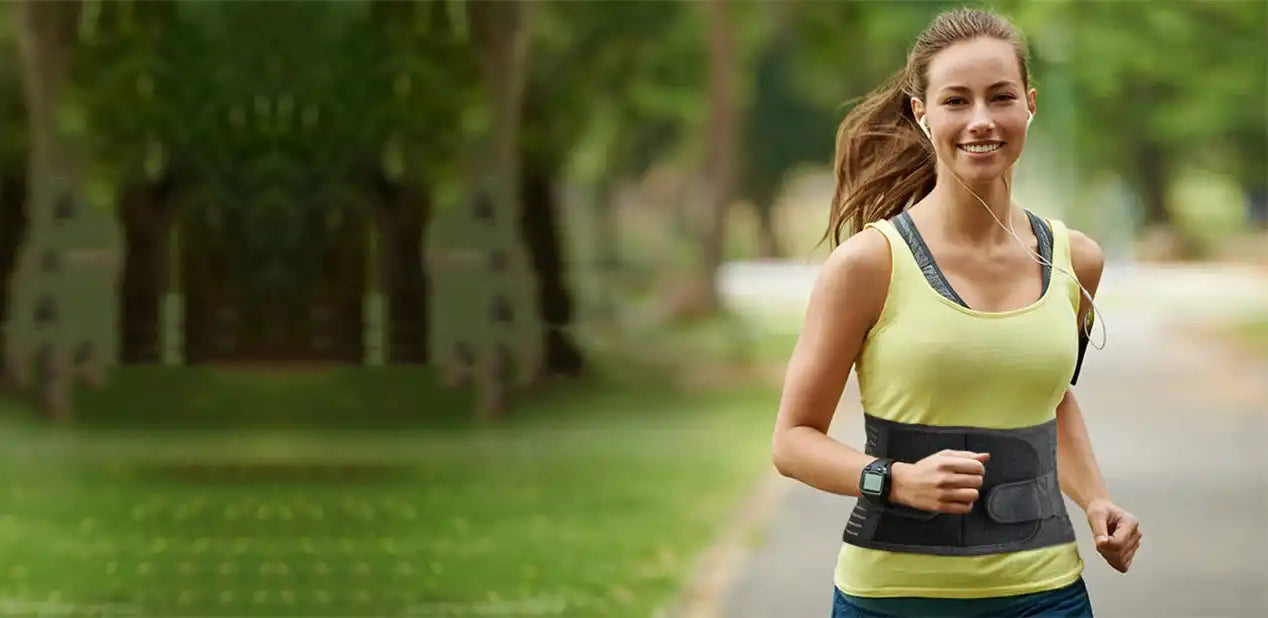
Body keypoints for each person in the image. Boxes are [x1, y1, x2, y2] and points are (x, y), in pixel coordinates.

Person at [770, 7, 1143, 618]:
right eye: (955, 101)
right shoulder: (869, 265)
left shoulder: (1077, 260)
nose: (981, 121)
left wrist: (1097, 501)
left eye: (1000, 98)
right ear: (921, 113)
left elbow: (1050, 401)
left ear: (1030, 103)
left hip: (1046, 595)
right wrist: (893, 479)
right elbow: (792, 442)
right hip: (894, 600)